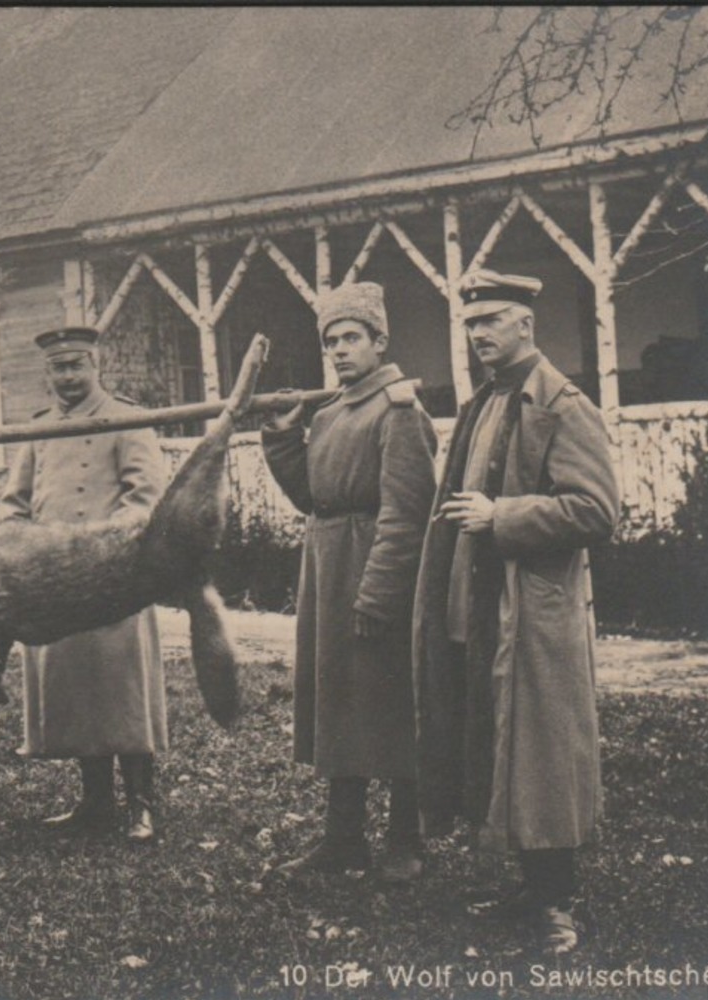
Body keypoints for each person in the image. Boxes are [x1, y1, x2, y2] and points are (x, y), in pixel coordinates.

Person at [412, 270, 619, 955]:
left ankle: (557, 902)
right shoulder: (481, 403)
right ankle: (528, 885)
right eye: (471, 323)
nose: (478, 334)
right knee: (498, 743)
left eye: (491, 320)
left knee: (542, 753)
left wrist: (501, 515)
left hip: (534, 610)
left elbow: (595, 510)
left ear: (525, 323)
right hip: (481, 603)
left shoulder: (561, 404)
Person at [261, 282, 438, 883]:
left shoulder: (398, 411)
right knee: (339, 702)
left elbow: (407, 513)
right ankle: (343, 840)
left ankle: (406, 839)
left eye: (351, 338)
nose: (338, 351)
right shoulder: (333, 412)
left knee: (390, 702)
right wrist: (285, 437)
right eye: (330, 341)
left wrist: (381, 592)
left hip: (374, 570)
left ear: (380, 341)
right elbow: (314, 498)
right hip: (329, 569)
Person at [0, 326, 169, 842]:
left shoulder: (127, 420)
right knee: (78, 692)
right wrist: (21, 547)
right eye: (58, 368)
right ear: (47, 374)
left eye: (77, 365)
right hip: (58, 581)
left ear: (96, 367)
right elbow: (14, 502)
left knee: (123, 687)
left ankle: (141, 801)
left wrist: (106, 550)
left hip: (114, 576)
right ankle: (94, 801)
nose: (68, 376)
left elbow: (147, 497)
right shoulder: (39, 429)